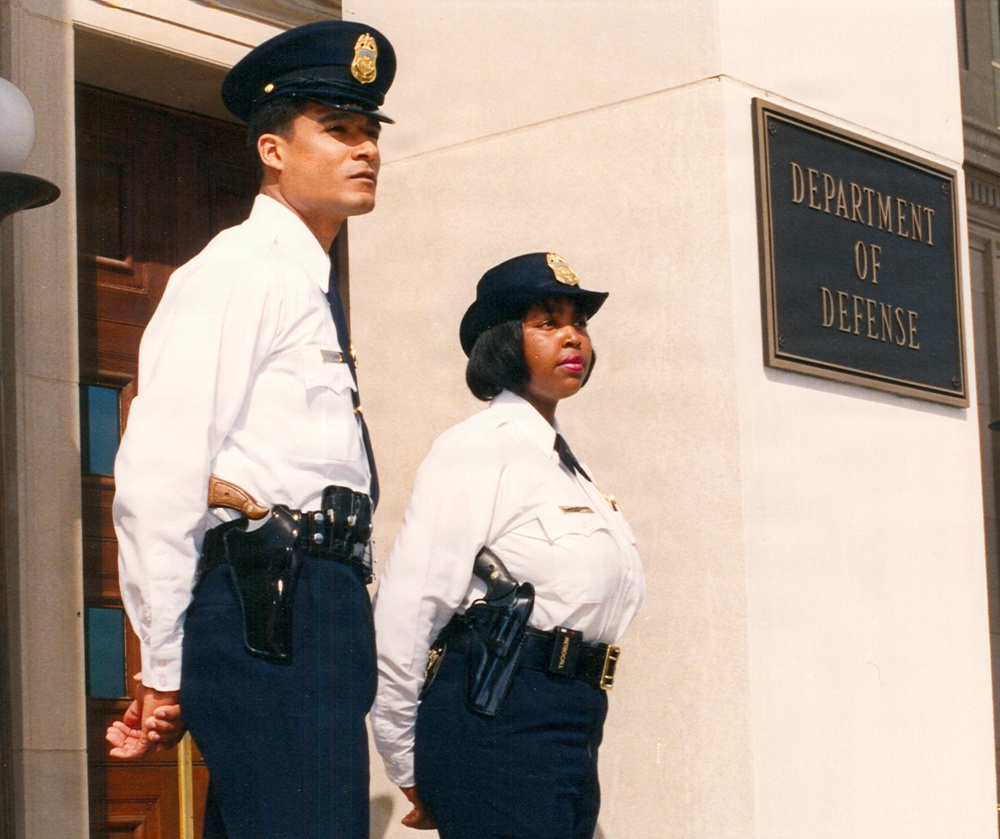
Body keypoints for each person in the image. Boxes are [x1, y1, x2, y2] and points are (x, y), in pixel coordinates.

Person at [104, 20, 396, 839]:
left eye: (370, 131)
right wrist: (161, 667)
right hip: (270, 605)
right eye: (337, 129)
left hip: (322, 605)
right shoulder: (239, 271)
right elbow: (161, 473)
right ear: (273, 149)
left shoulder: (309, 287)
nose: (364, 148)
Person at [370, 252, 645, 838]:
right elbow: (409, 603)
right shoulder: (478, 447)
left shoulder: (567, 466)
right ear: (500, 341)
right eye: (547, 323)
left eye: (580, 323)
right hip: (499, 714)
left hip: (571, 712)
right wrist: (402, 754)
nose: (573, 337)